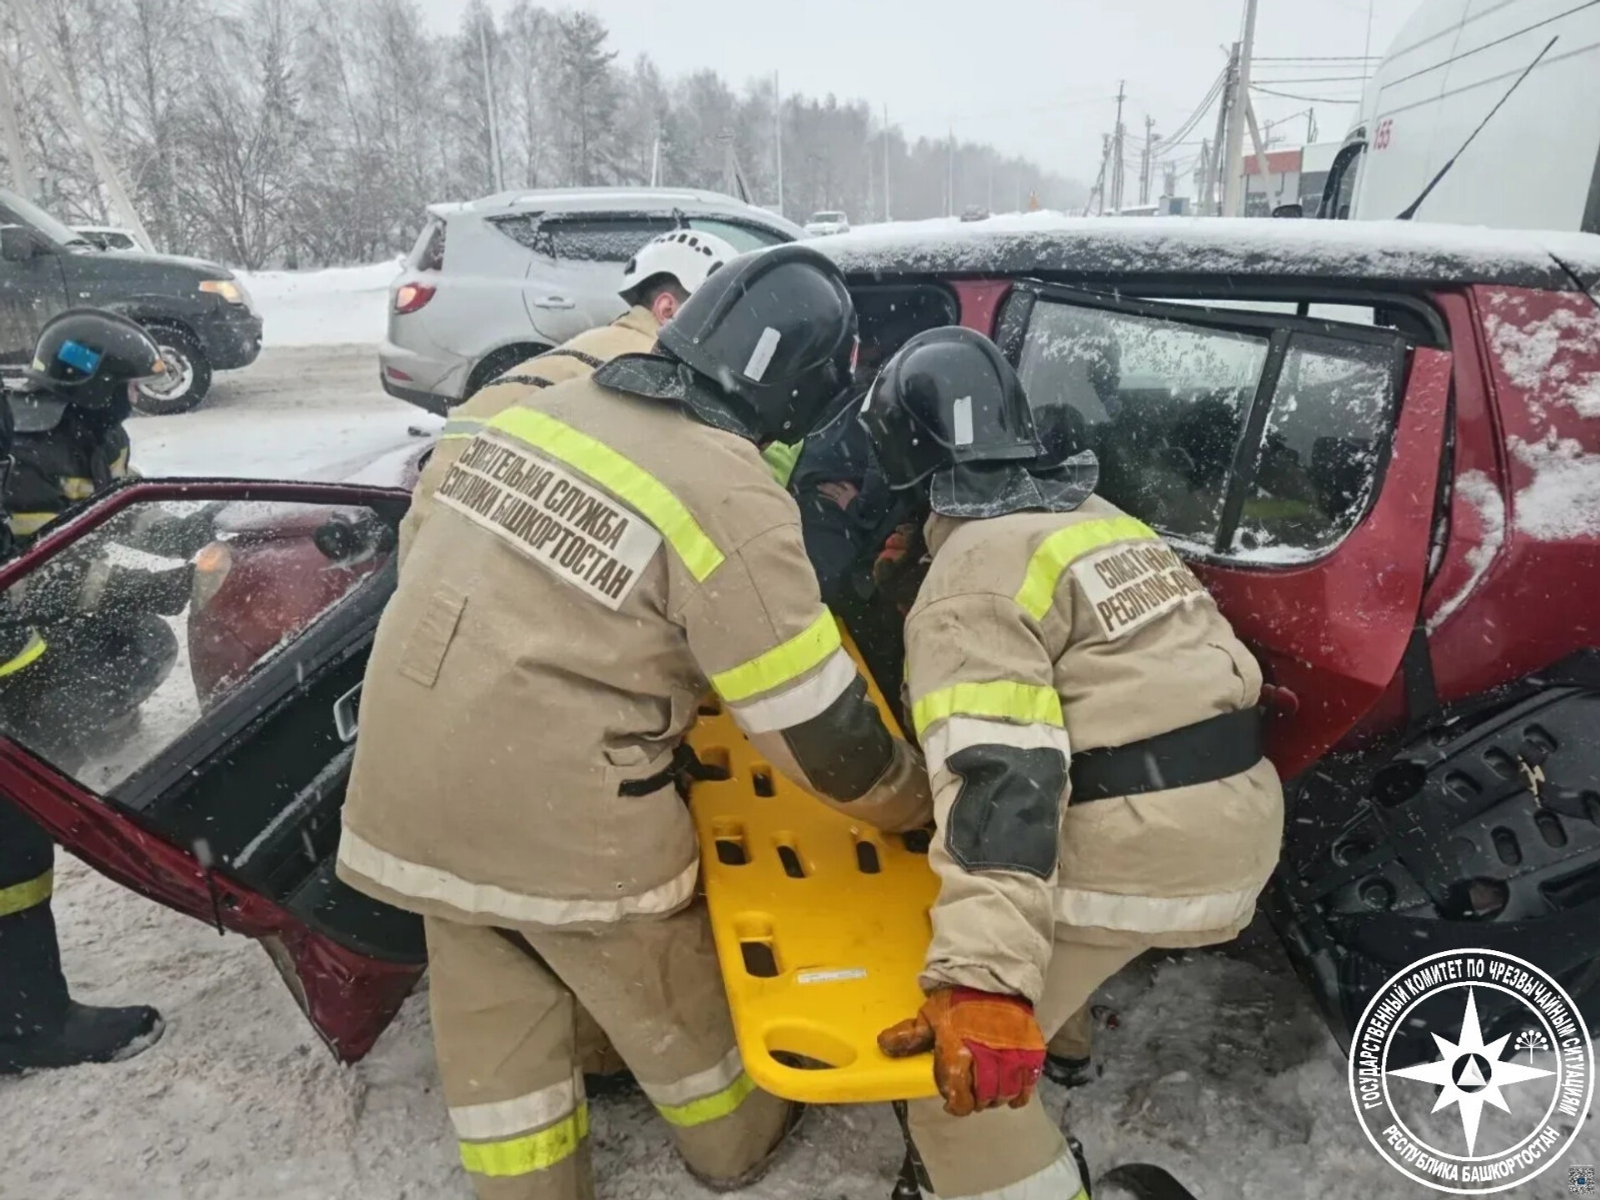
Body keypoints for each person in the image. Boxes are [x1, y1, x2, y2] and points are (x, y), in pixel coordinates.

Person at [336, 243, 931, 1200]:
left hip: (404, 792)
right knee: (669, 1005)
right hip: (566, 829)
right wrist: (913, 805)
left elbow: (444, 558)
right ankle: (732, 1147)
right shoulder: (728, 489)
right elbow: (813, 726)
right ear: (801, 395)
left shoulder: (540, 414)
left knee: (496, 1019)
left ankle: (529, 1187)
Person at [859, 327, 1284, 1200]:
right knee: (1057, 934)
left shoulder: (969, 582)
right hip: (1231, 805)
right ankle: (1069, 1045)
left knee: (955, 1100)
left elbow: (1004, 781)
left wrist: (981, 985)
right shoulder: (1095, 518)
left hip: (1140, 838)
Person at [0, 310, 168, 1075]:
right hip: (22, 634)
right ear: (92, 385)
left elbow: (118, 513)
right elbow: (38, 574)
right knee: (11, 844)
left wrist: (208, 529)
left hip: (25, 629)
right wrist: (139, 588)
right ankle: (29, 1024)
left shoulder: (97, 435)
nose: (135, 399)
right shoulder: (26, 446)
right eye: (126, 386)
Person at [398, 228, 738, 563]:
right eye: (721, 319)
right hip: (496, 570)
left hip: (422, 562)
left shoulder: (584, 350)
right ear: (668, 309)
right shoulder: (653, 374)